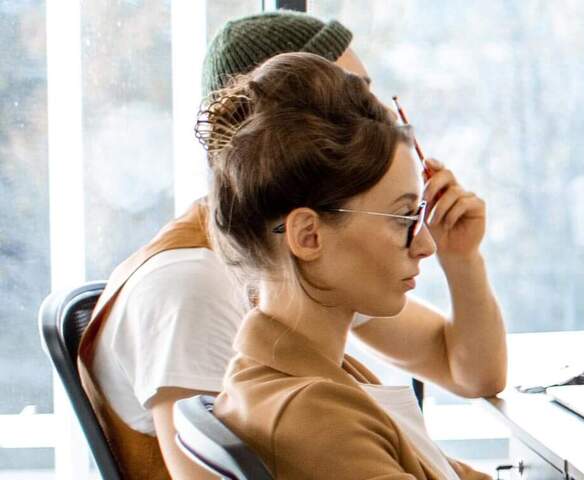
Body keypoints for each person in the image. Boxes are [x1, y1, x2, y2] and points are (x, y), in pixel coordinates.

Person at [76, 11, 505, 479]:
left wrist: (461, 258)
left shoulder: (303, 295)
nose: (378, 117)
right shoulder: (203, 286)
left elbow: (470, 371)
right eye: (353, 96)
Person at [200, 51, 492, 479]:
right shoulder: (316, 420)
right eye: (403, 218)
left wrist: (464, 257)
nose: (426, 244)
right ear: (308, 236)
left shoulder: (310, 368)